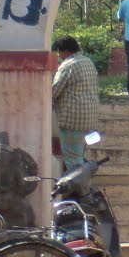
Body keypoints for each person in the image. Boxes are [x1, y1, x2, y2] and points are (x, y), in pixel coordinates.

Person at [50, 35, 99, 170]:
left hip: (72, 120)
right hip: (88, 118)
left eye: (60, 52)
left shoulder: (68, 65)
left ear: (65, 51)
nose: (60, 56)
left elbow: (53, 92)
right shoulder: (88, 62)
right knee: (78, 154)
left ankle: (79, 189)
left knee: (73, 160)